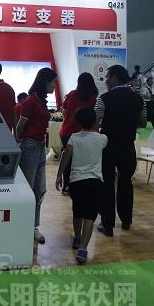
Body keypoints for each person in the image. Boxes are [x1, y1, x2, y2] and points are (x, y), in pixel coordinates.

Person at [95, 65, 146, 236]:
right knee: (126, 182)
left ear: (115, 78)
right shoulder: (138, 99)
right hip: (128, 147)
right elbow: (143, 122)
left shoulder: (104, 98)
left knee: (107, 184)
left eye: (107, 77)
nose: (106, 81)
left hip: (108, 146)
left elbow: (95, 122)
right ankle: (126, 220)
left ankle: (107, 224)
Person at [56, 107, 108, 264]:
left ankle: (77, 238)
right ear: (95, 121)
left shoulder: (74, 138)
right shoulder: (102, 138)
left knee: (77, 212)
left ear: (78, 122)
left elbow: (65, 156)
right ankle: (83, 249)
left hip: (76, 181)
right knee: (90, 216)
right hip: (95, 182)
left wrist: (59, 175)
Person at [16, 67, 57, 244]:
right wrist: (21, 144)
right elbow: (20, 127)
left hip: (39, 147)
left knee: (39, 189)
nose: (54, 86)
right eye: (53, 82)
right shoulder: (31, 101)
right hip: (30, 146)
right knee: (28, 188)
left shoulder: (40, 101)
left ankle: (33, 226)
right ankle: (24, 225)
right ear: (45, 82)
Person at [58, 73, 99, 195]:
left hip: (66, 131)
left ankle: (66, 186)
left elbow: (64, 111)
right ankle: (79, 185)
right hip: (82, 134)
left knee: (67, 159)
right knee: (81, 161)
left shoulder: (71, 94)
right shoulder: (92, 98)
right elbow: (93, 118)